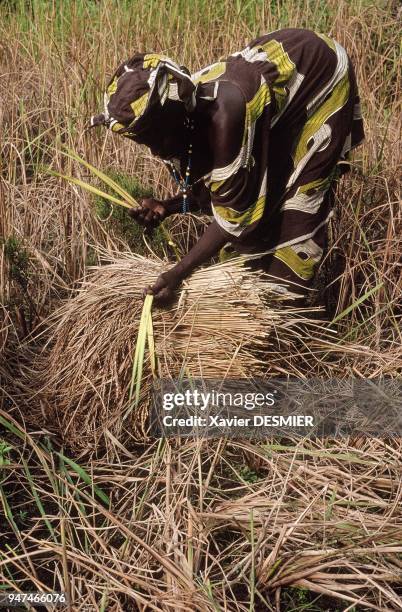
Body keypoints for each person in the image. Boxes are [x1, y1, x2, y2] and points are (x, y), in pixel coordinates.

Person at [89, 28, 364, 304]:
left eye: (159, 138)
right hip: (278, 89)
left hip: (319, 78)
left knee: (296, 207)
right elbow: (218, 186)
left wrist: (178, 273)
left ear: (173, 117)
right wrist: (169, 206)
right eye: (146, 143)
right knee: (256, 197)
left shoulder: (226, 114)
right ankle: (254, 298)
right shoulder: (182, 108)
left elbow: (232, 217)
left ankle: (288, 317)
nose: (156, 150)